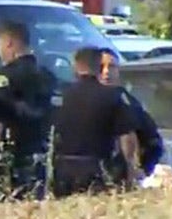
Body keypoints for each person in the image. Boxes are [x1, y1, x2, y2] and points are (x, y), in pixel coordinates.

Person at [50, 47, 141, 197]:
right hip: (97, 168)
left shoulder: (61, 95)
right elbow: (127, 137)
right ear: (98, 66)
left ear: (76, 66)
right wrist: (131, 169)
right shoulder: (112, 96)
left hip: (63, 169)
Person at [0, 21, 58, 199]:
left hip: (14, 158)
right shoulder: (47, 75)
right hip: (42, 155)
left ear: (9, 43)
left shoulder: (4, 76)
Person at [99, 48, 165, 180]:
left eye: (111, 67)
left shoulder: (127, 102)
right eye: (100, 67)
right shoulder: (82, 99)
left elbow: (150, 139)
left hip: (119, 175)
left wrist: (137, 169)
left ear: (118, 71)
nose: (106, 72)